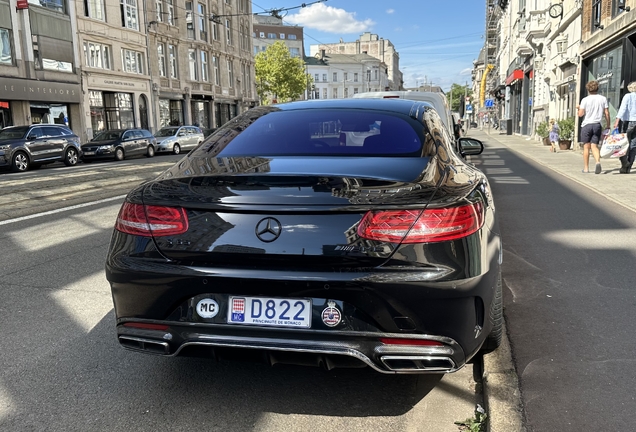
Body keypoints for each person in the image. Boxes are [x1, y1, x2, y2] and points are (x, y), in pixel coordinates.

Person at [577, 80, 610, 173]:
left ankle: (586, 168)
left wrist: (578, 108)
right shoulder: (603, 99)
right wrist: (608, 125)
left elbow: (580, 114)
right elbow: (606, 113)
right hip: (597, 125)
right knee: (594, 146)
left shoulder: (585, 100)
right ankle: (597, 162)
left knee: (586, 147)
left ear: (588, 89)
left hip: (587, 125)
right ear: (597, 88)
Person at [613, 81, 636, 174]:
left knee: (622, 143)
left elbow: (622, 108)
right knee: (633, 145)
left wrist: (617, 120)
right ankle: (628, 167)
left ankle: (624, 163)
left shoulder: (628, 96)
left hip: (628, 121)